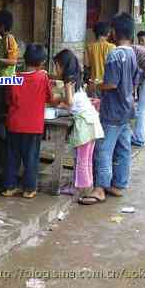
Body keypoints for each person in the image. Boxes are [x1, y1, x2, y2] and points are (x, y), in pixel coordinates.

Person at [80, 13, 139, 205]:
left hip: (112, 110)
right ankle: (119, 184)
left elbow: (111, 84)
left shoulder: (115, 54)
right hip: (127, 108)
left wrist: (98, 85)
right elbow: (135, 81)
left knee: (103, 149)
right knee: (123, 148)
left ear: (114, 31)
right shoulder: (132, 53)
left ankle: (100, 188)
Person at [2, 44, 53, 199]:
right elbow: (49, 98)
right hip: (33, 127)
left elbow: (8, 99)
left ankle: (9, 187)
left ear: (24, 59)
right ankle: (29, 189)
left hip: (14, 125)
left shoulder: (15, 78)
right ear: (43, 62)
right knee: (31, 158)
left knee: (12, 157)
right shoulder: (43, 78)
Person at [53, 49, 103, 196]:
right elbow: (73, 103)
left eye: (56, 65)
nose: (55, 69)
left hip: (84, 125)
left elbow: (69, 101)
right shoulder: (76, 79)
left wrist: (59, 101)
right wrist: (63, 103)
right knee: (86, 159)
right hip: (92, 123)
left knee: (81, 159)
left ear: (63, 66)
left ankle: (79, 189)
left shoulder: (68, 82)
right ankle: (86, 186)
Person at [84, 22, 116, 95]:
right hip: (107, 84)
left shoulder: (89, 47)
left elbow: (87, 66)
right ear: (108, 33)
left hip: (94, 84)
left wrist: (87, 82)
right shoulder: (112, 47)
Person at [0, 9, 19, 77]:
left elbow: (13, 61)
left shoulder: (9, 38)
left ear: (2, 26)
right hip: (0, 75)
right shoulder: (2, 38)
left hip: (7, 77)